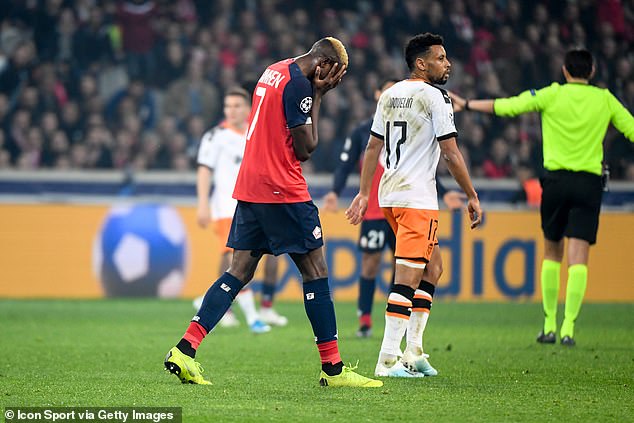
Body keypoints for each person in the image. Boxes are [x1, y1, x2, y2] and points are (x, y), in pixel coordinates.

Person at [164, 37, 382, 387]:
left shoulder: (274, 70)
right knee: (316, 271)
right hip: (282, 189)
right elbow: (306, 148)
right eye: (333, 75)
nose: (329, 81)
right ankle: (334, 369)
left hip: (251, 187)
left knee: (238, 271)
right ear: (324, 65)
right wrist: (321, 97)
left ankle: (185, 349)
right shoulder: (300, 85)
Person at [450, 48, 634, 346]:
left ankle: (548, 324)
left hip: (556, 182)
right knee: (579, 258)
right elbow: (632, 130)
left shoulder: (552, 95)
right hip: (588, 183)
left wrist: (468, 104)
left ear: (564, 71)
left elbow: (509, 106)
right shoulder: (605, 99)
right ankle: (569, 329)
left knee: (552, 253)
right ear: (593, 71)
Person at [346, 33, 482, 377]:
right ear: (421, 63)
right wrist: (471, 194)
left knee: (432, 269)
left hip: (390, 195)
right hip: (416, 199)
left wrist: (364, 193)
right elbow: (450, 153)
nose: (447, 63)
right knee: (406, 279)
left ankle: (414, 351)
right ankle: (387, 359)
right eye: (440, 58)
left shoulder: (390, 94)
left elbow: (373, 148)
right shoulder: (435, 97)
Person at [322, 79, 466, 344]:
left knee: (403, 267)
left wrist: (445, 193)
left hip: (399, 203)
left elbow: (423, 166)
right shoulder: (364, 130)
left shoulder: (413, 124)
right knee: (371, 264)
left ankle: (396, 327)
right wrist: (335, 190)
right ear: (379, 95)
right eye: (386, 91)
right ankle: (366, 319)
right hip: (380, 208)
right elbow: (346, 163)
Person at [193, 86, 287, 333]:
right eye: (227, 106)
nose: (231, 111)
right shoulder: (215, 136)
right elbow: (204, 170)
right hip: (225, 205)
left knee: (254, 258)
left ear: (248, 109)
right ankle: (226, 310)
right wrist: (202, 203)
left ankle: (235, 305)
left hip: (255, 203)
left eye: (236, 106)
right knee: (231, 257)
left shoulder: (256, 134)